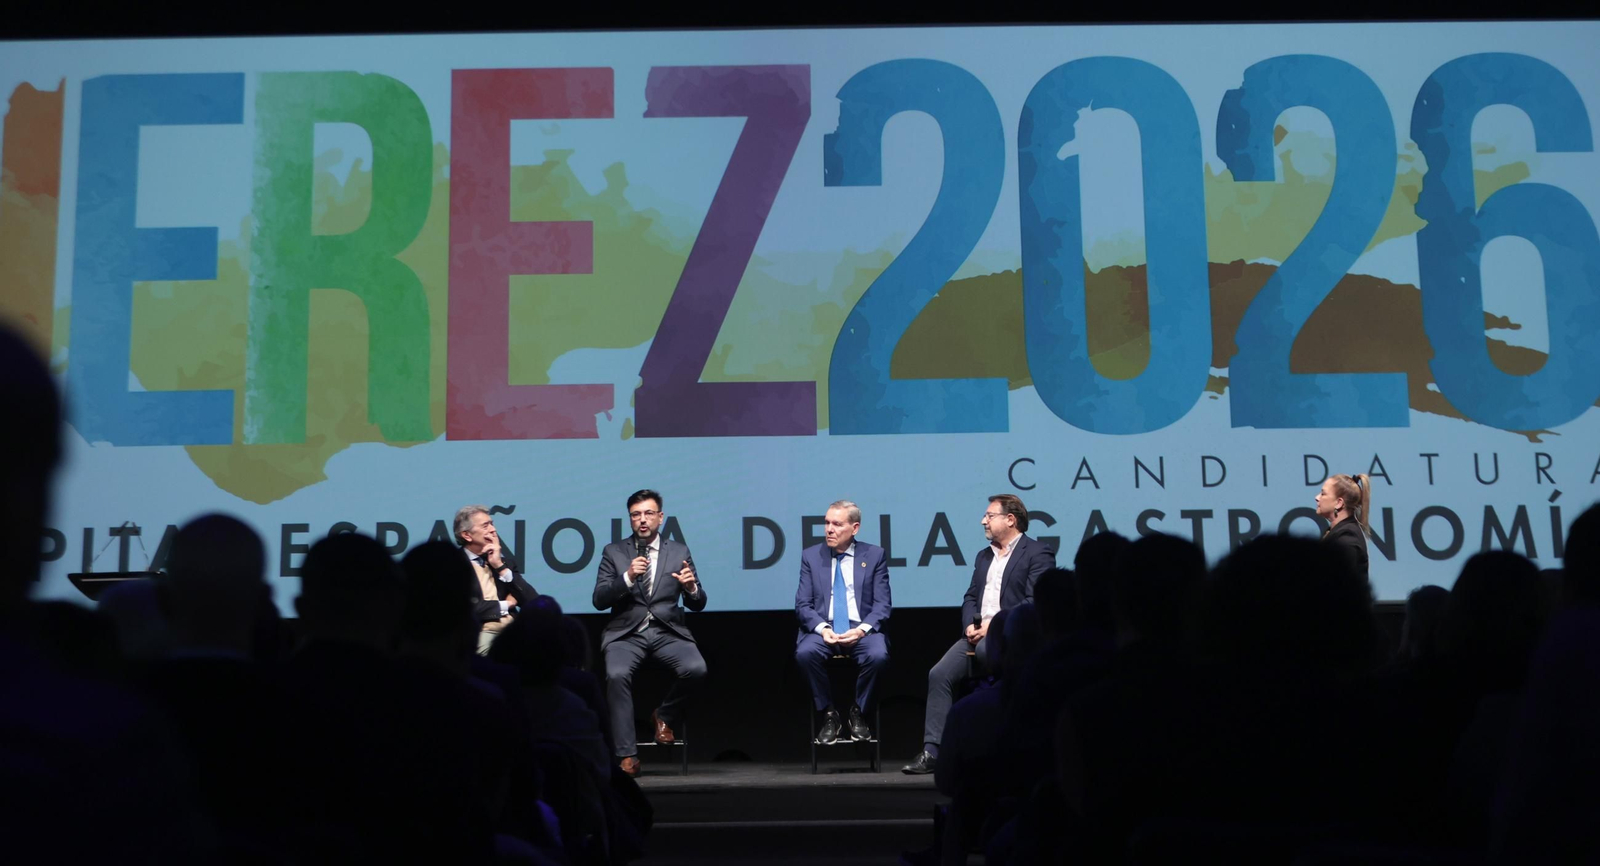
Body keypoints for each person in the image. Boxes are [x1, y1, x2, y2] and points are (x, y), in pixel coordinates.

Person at [902, 493, 1055, 775]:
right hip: (975, 634)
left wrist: (994, 624)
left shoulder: (1037, 552)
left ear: (1011, 519)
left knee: (987, 654)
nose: (983, 520)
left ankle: (998, 746)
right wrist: (969, 626)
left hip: (1009, 635)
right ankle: (933, 751)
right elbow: (971, 596)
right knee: (939, 674)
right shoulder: (983, 556)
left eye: (989, 515)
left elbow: (1034, 601)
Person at [592, 489, 708, 776]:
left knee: (697, 669)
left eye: (648, 514)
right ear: (630, 519)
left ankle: (664, 715)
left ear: (660, 517)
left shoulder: (679, 551)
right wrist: (628, 577)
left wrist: (691, 587)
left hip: (667, 630)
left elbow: (699, 602)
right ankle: (627, 755)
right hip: (626, 632)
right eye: (635, 515)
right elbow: (599, 599)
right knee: (617, 675)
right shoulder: (614, 552)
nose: (642, 520)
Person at [794, 500, 891, 744]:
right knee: (805, 653)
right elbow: (803, 605)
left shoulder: (874, 555)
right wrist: (823, 629)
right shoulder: (811, 556)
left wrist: (860, 631)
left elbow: (882, 606)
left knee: (878, 655)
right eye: (826, 523)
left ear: (855, 528)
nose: (829, 529)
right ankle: (829, 714)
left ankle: (858, 712)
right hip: (823, 633)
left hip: (860, 632)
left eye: (837, 524)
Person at [455, 504, 537, 656]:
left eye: (492, 524)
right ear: (467, 535)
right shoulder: (454, 564)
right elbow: (463, 609)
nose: (493, 530)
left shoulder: (505, 563)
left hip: (512, 632)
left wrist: (500, 566)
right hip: (479, 633)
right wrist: (508, 604)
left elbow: (533, 602)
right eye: (485, 526)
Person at [1316, 473, 1373, 581]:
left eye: (1323, 494)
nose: (1317, 497)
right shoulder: (1334, 532)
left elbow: (1340, 583)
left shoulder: (1347, 538)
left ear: (1338, 503)